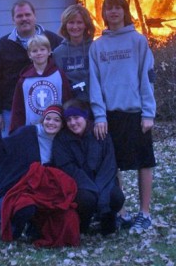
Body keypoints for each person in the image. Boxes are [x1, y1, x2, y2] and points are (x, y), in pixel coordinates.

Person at [89, 0, 156, 234]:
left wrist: (148, 112)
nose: (114, 12)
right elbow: (94, 83)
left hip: (136, 112)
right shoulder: (97, 46)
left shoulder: (138, 41)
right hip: (110, 115)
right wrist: (99, 116)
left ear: (125, 11)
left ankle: (144, 213)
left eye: (118, 7)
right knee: (112, 166)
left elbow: (146, 78)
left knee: (144, 162)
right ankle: (120, 212)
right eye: (109, 8)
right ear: (104, 13)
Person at [0, 101, 80, 247]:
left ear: (62, 124)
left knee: (67, 217)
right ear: (43, 119)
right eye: (48, 118)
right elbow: (0, 151)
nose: (51, 123)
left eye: (56, 120)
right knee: (25, 207)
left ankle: (35, 229)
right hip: (15, 188)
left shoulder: (62, 143)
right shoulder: (27, 134)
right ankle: (12, 228)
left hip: (43, 192)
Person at [0, 0, 62, 137]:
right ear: (13, 19)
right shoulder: (2, 46)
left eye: (27, 14)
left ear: (34, 16)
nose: (24, 19)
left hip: (47, 110)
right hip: (11, 111)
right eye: (19, 16)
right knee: (13, 151)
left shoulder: (53, 40)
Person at [52, 98, 125, 236]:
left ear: (85, 116)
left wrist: (99, 188)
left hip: (102, 182)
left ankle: (107, 220)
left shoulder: (100, 134)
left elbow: (109, 165)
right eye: (68, 120)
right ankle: (83, 223)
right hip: (79, 184)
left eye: (76, 117)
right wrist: (91, 188)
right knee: (86, 199)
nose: (72, 123)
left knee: (115, 196)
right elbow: (67, 168)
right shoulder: (61, 139)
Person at [9, 34, 72, 133]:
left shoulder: (59, 75)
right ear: (29, 55)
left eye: (42, 49)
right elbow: (18, 108)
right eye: (34, 51)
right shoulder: (24, 80)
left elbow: (67, 100)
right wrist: (15, 131)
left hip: (58, 129)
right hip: (33, 130)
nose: (39, 53)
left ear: (49, 51)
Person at [53, 4, 95, 102]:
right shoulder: (58, 53)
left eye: (79, 22)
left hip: (94, 103)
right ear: (65, 25)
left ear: (86, 25)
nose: (75, 27)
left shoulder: (95, 48)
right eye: (71, 22)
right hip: (70, 105)